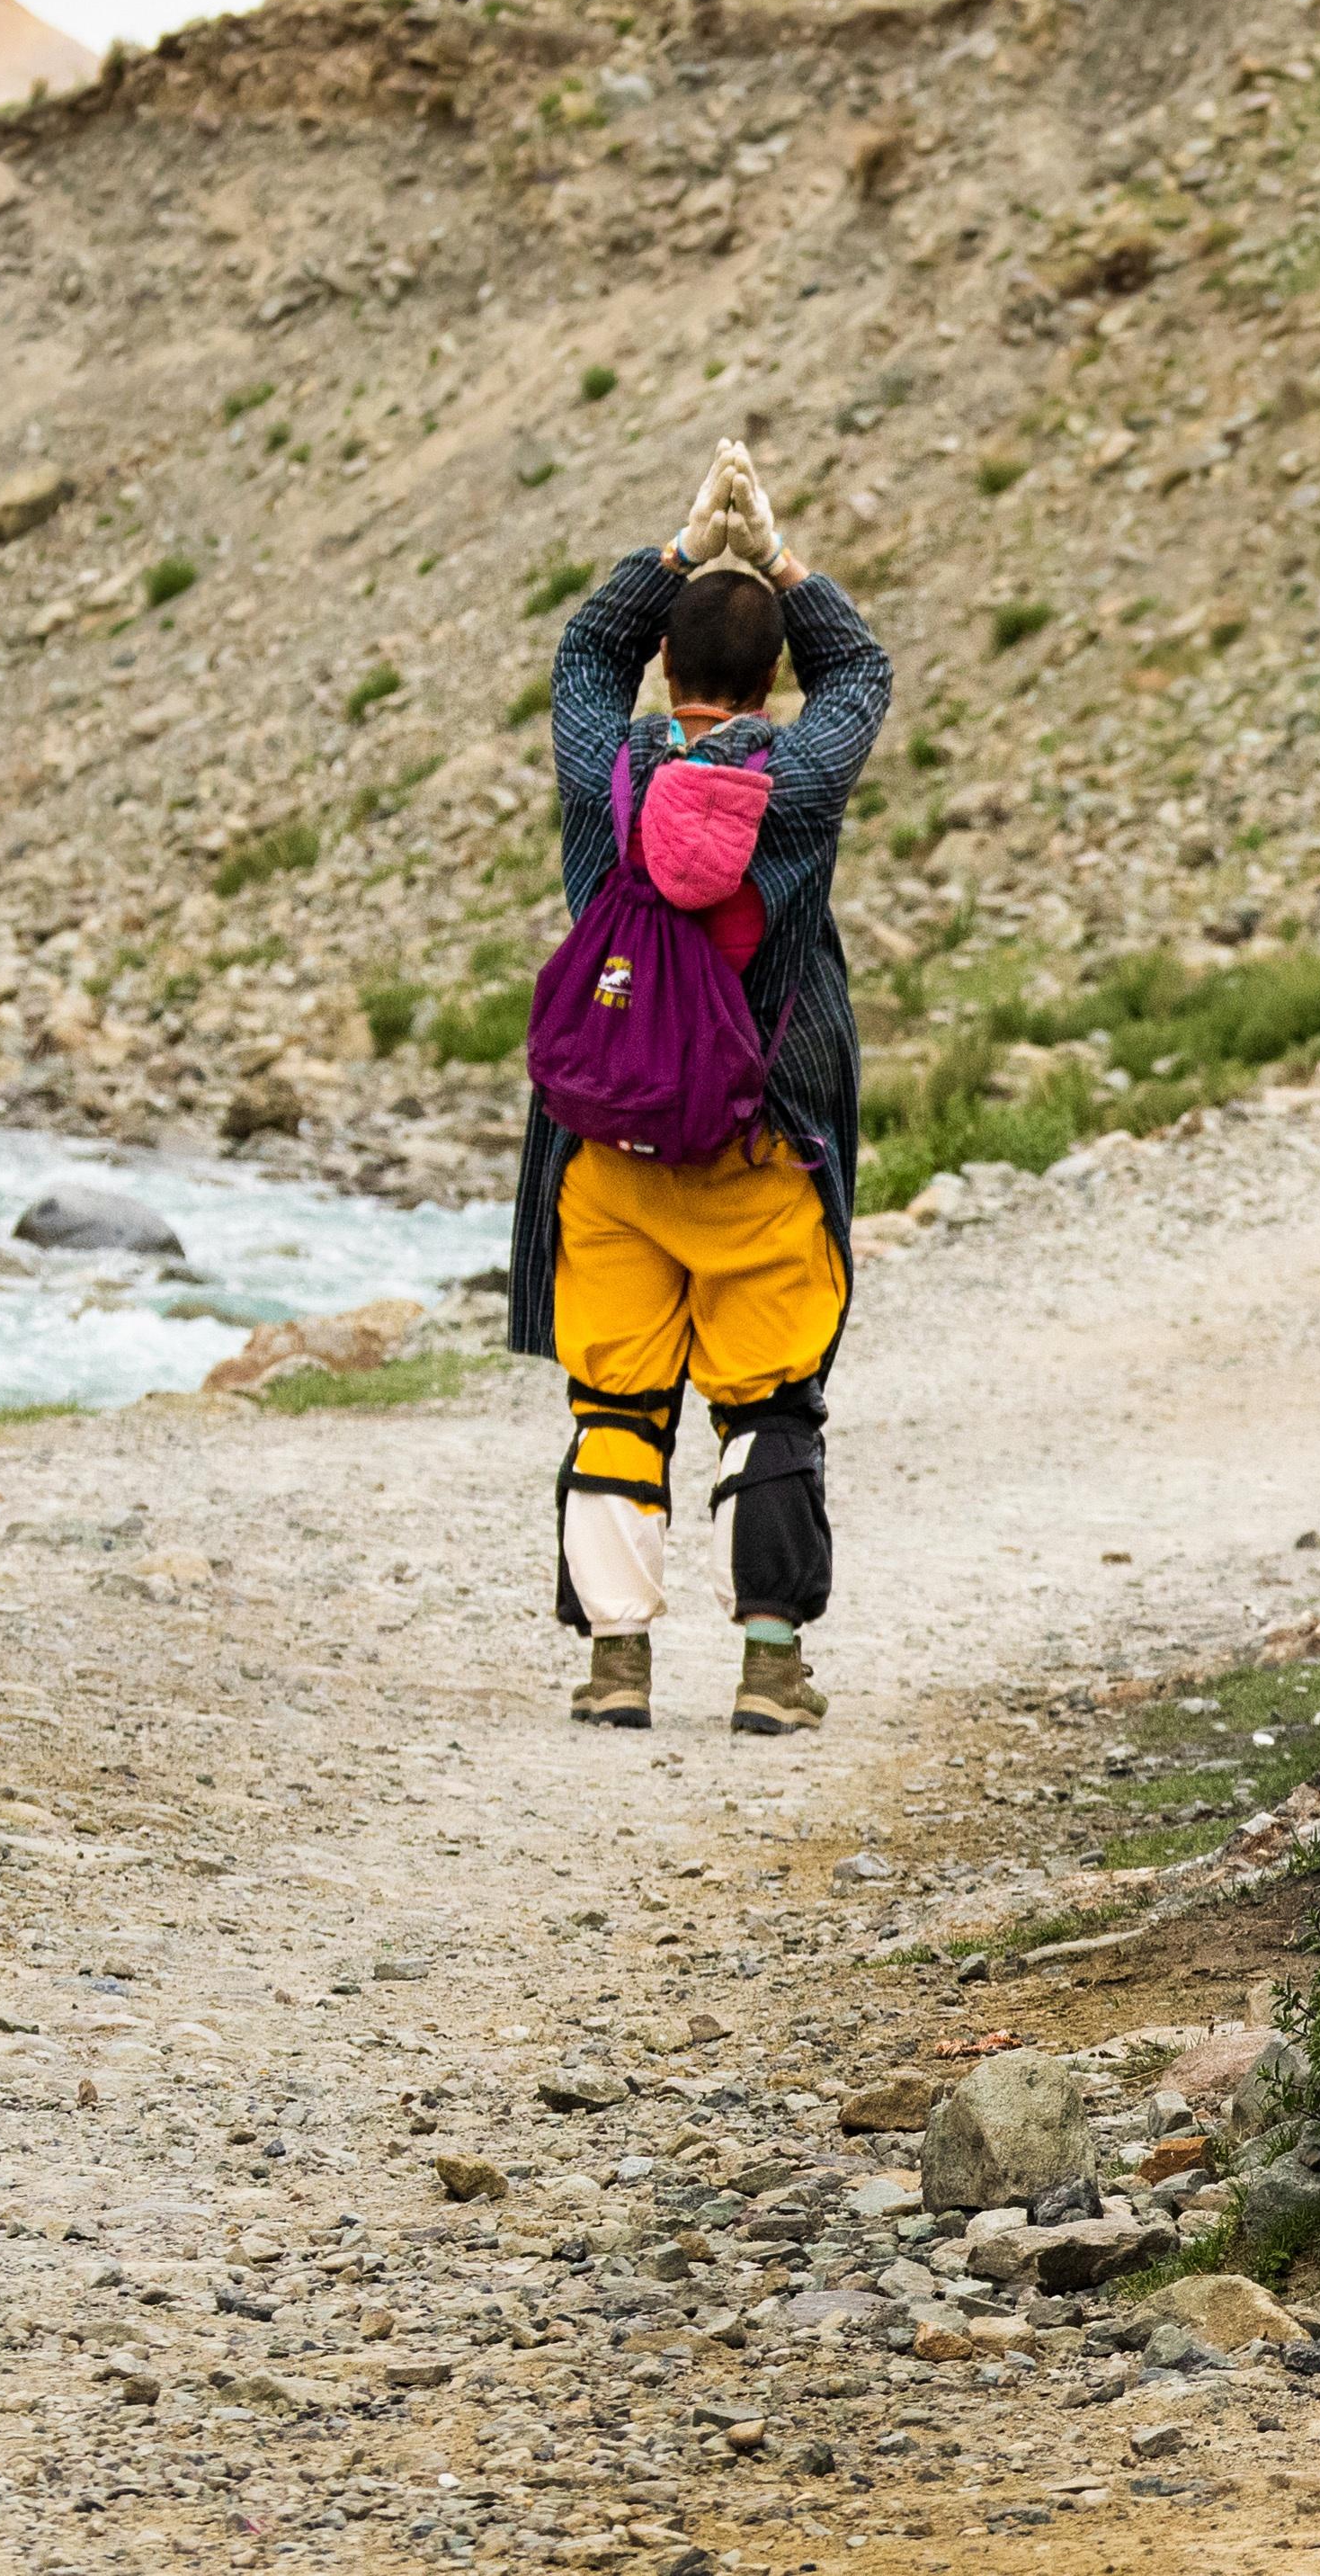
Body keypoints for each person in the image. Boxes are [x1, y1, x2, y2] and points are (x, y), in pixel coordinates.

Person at [512, 461, 887, 1738]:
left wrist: (675, 553)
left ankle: (617, 1664)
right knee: (768, 1400)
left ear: (664, 668)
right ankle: (769, 1672)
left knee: (616, 1401)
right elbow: (863, 673)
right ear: (772, 685)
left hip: (610, 1146)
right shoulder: (796, 782)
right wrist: (781, 564)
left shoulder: (598, 767)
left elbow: (581, 650)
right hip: (760, 1145)